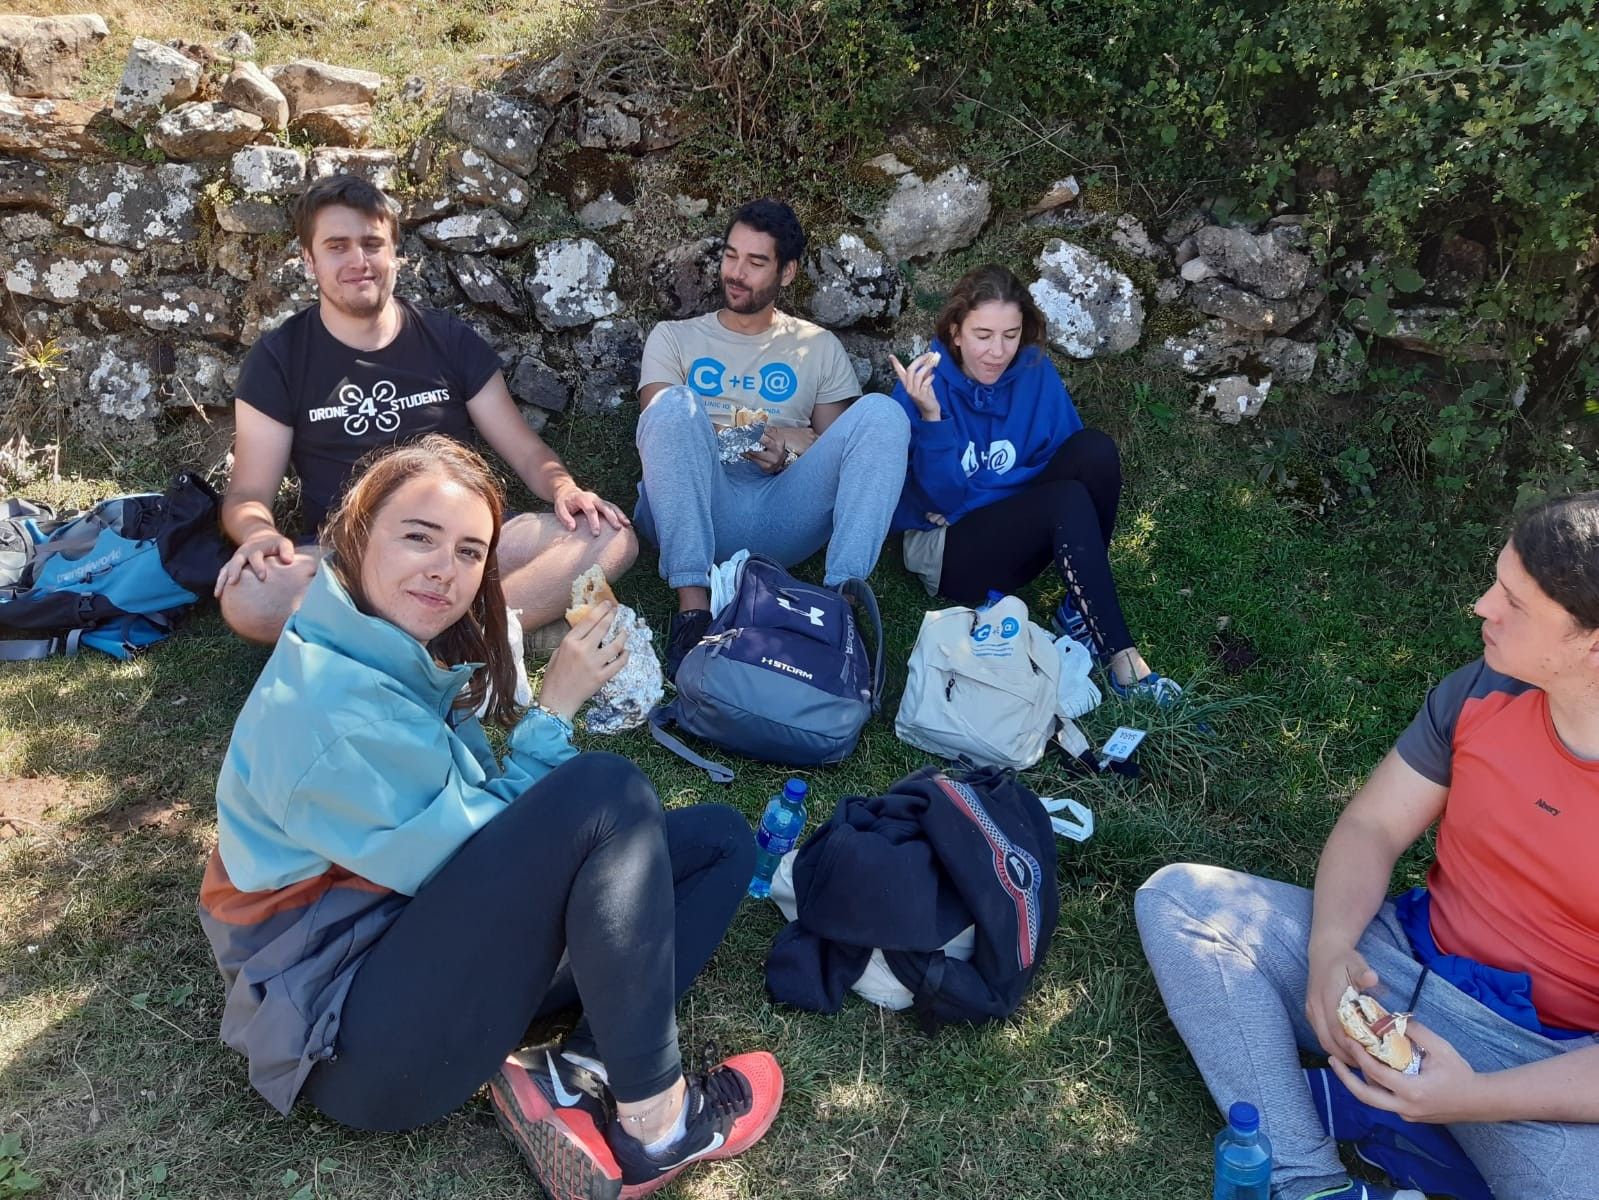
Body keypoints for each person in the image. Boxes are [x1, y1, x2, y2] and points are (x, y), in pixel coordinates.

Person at [198, 436, 782, 1200]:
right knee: (604, 793)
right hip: (355, 1048)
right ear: (355, 533)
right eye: (418, 536)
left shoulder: (387, 649)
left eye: (471, 551)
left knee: (716, 844)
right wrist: (557, 708)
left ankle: (585, 1068)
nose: (445, 569)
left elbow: (483, 844)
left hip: (412, 953)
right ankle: (657, 1127)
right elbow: (476, 853)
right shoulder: (328, 706)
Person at [1136, 492, 1599, 1200]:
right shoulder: (1484, 688)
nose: (1481, 606)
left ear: (1590, 641)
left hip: (1535, 1061)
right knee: (1181, 902)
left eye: (1514, 602)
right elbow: (1371, 826)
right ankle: (1307, 1181)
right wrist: (1328, 950)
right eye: (1493, 582)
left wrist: (1472, 1099)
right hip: (1394, 973)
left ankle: (1414, 1124)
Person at [214, 174, 635, 646]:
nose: (358, 261)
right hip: (354, 555)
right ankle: (474, 632)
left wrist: (563, 487)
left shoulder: (450, 341)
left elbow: (525, 450)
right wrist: (256, 535)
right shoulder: (279, 358)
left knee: (611, 537)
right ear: (309, 260)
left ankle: (449, 639)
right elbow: (248, 491)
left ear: (395, 253)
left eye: (372, 244)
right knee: (250, 595)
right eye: (337, 246)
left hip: (464, 546)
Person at [634, 198, 910, 677]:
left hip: (781, 510)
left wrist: (787, 452)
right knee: (677, 405)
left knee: (884, 414)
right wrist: (760, 433)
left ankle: (840, 608)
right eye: (731, 255)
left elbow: (837, 446)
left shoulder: (819, 348)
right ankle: (692, 608)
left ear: (787, 273)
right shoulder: (673, 337)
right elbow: (661, 427)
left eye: (756, 262)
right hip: (693, 506)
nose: (736, 272)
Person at [888, 265, 1180, 703]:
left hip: (1014, 525)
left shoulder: (1033, 372)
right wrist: (932, 418)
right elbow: (941, 499)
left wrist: (997, 500)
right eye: (983, 334)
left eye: (1011, 334)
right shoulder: (921, 386)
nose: (997, 351)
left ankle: (1078, 609)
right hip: (948, 549)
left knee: (1095, 449)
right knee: (1062, 500)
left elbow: (1071, 461)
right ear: (955, 332)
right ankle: (1125, 664)